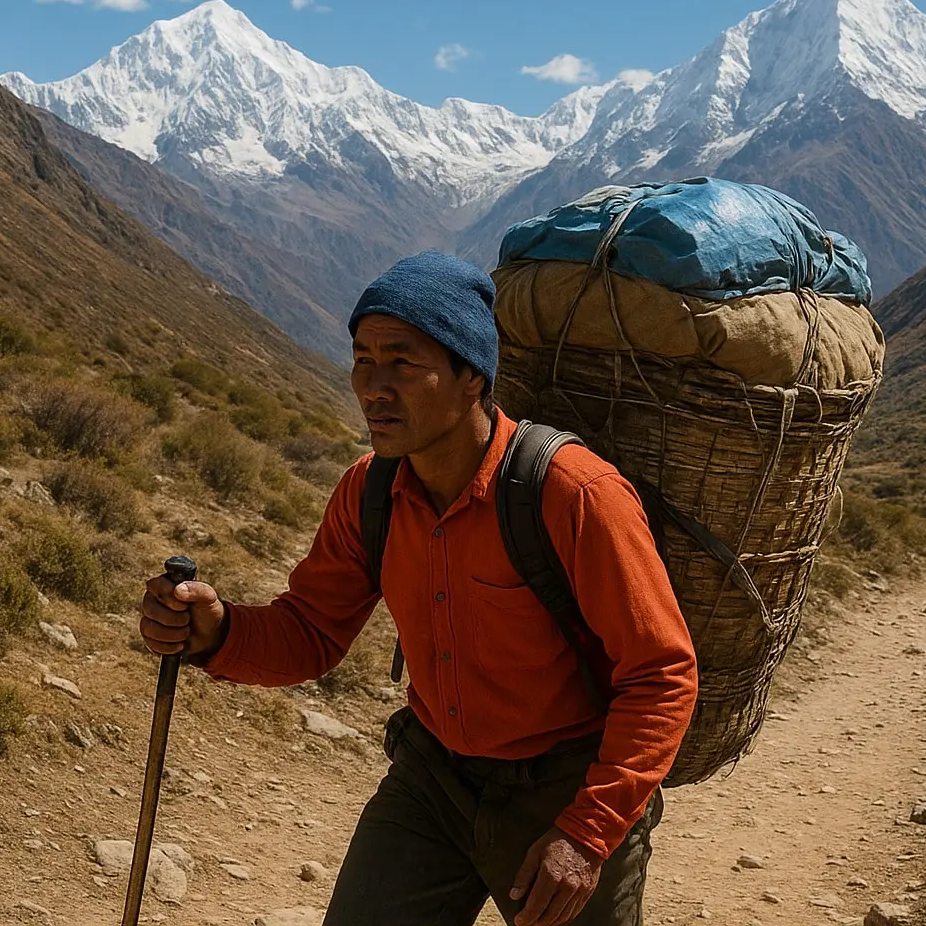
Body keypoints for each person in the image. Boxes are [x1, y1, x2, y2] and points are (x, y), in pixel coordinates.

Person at [139, 251, 698, 926]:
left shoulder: (573, 495)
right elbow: (312, 631)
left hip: (565, 785)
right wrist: (219, 632)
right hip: (434, 779)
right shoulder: (370, 490)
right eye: (362, 359)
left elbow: (662, 673)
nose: (373, 386)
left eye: (403, 362)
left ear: (471, 375)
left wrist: (588, 832)